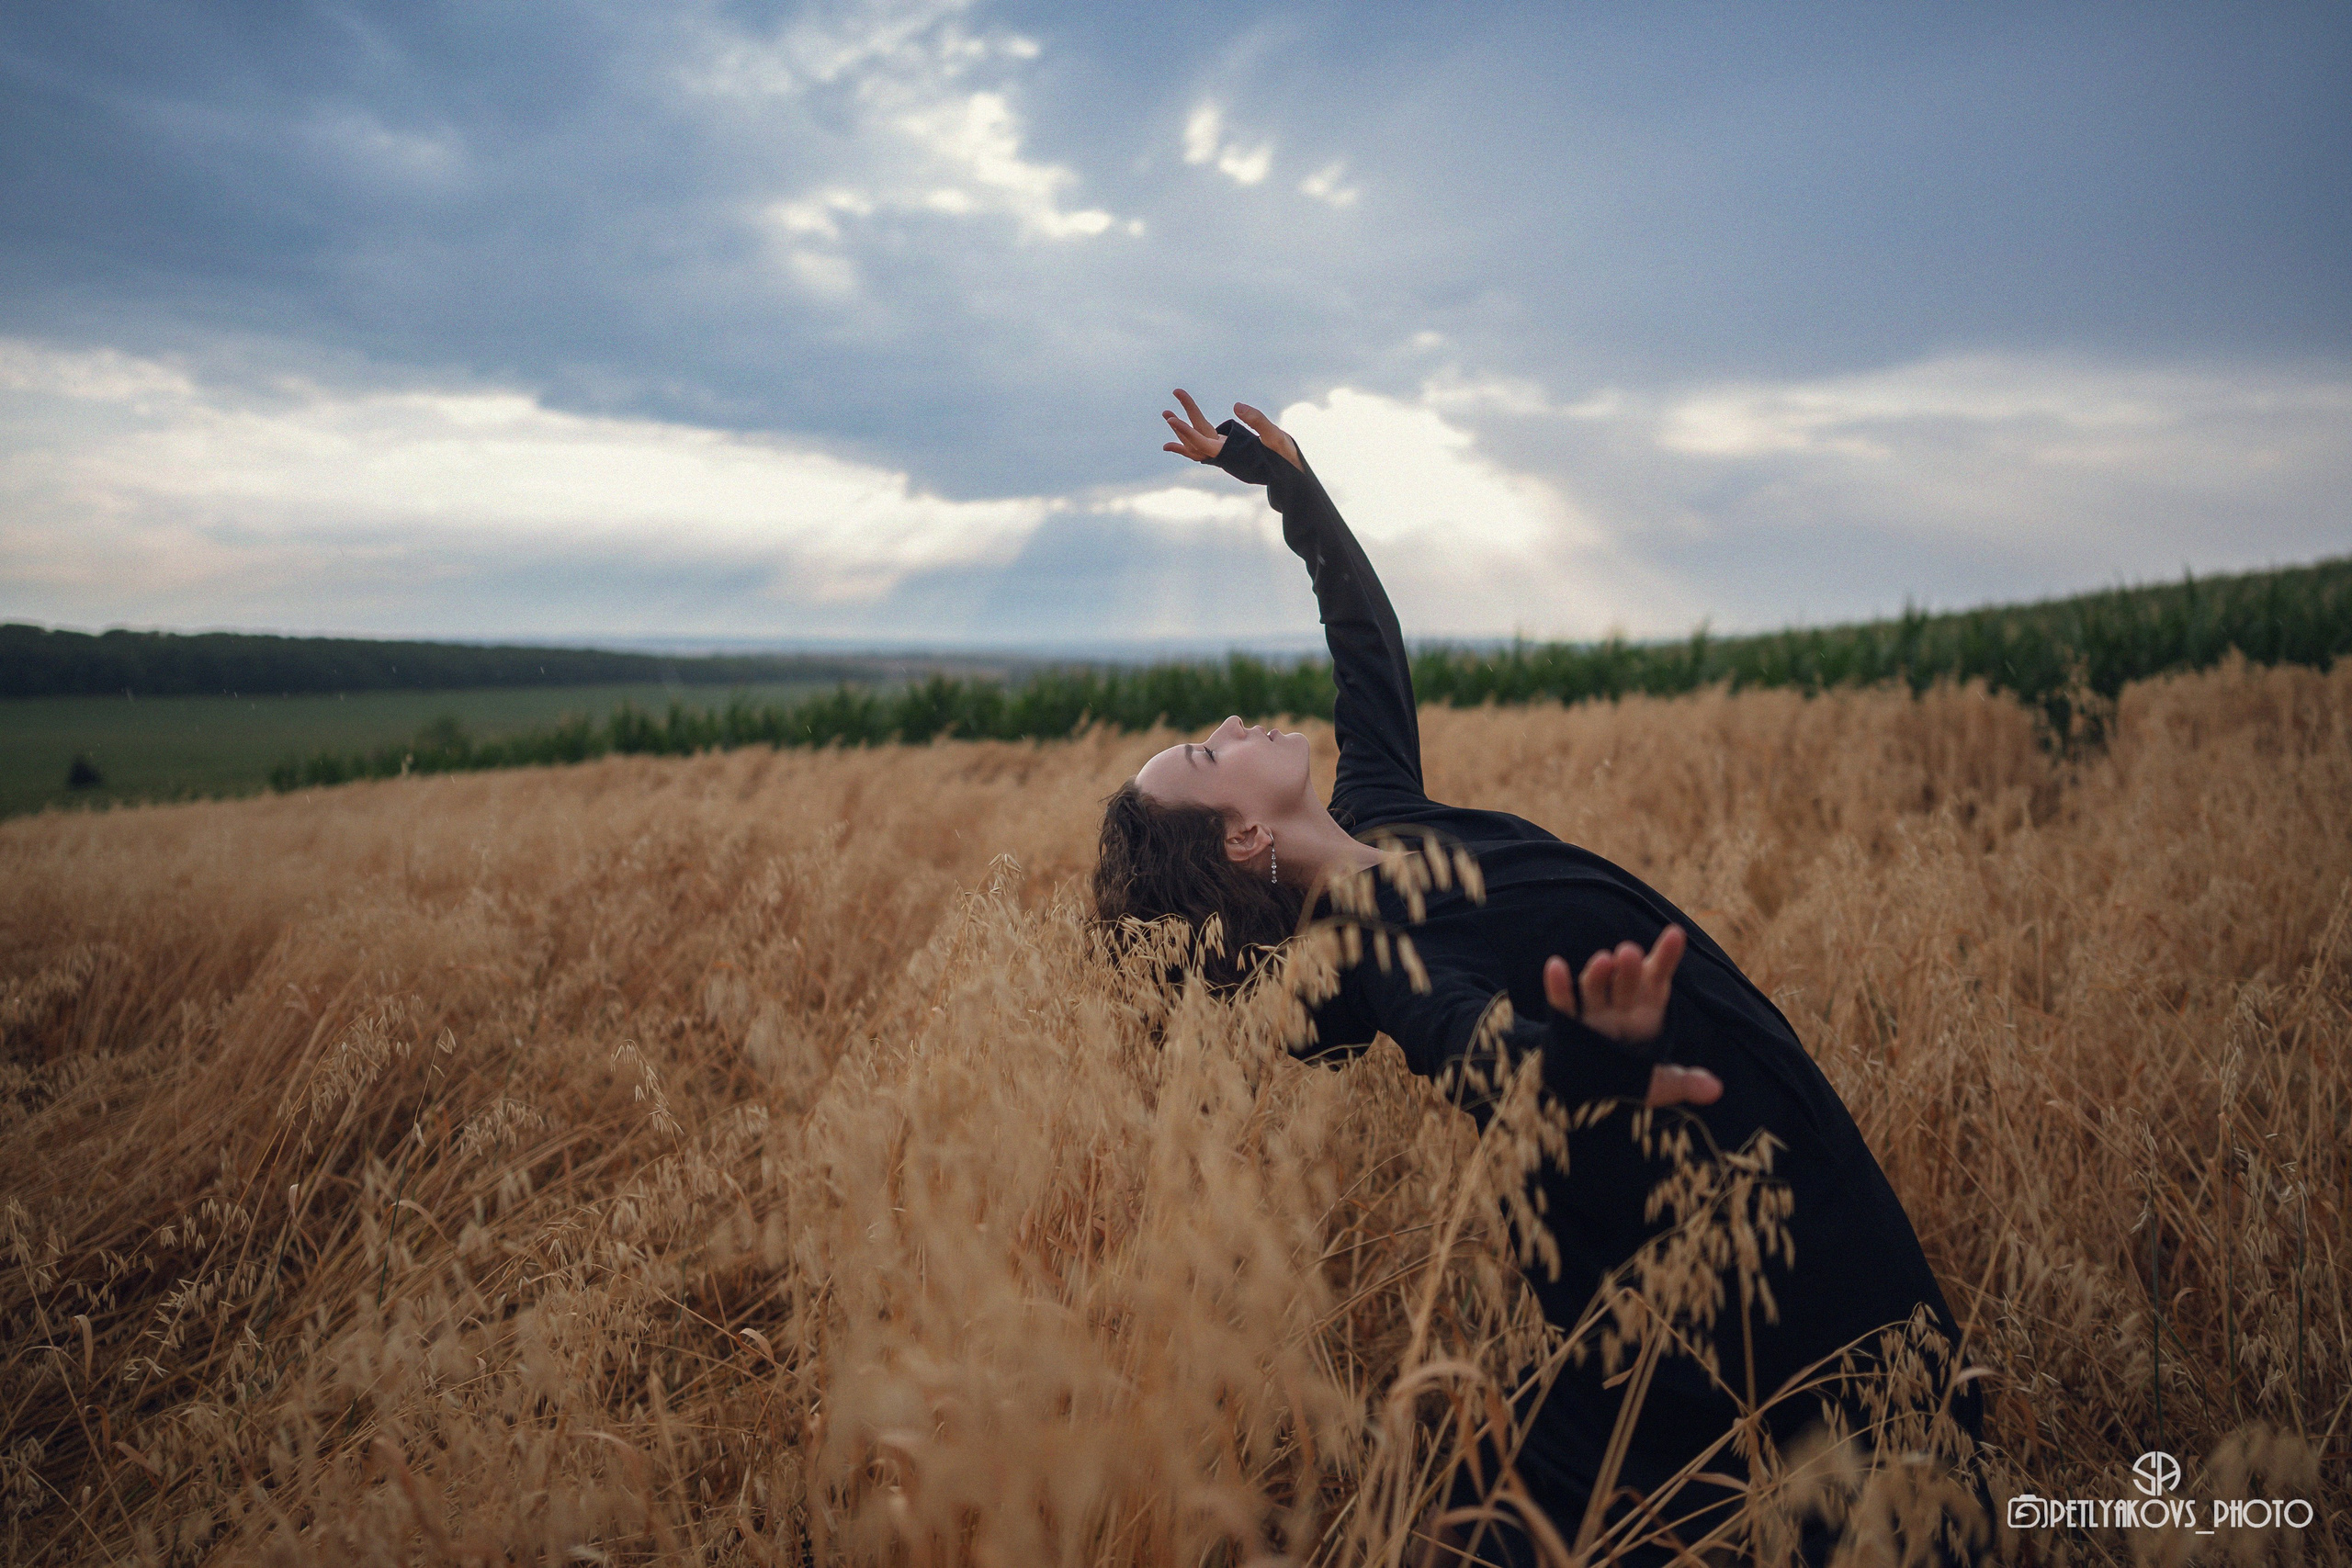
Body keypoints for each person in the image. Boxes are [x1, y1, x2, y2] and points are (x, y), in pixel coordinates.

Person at [1091, 390, 1989, 1566]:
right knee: (1798, 1487)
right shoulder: (1371, 956)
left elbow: (1366, 646)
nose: (1228, 719)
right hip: (1683, 1237)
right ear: (1243, 845)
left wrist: (1290, 487)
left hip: (1757, 1138)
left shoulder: (1380, 809)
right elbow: (1478, 1048)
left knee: (1889, 1454)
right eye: (1209, 756)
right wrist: (1588, 1053)